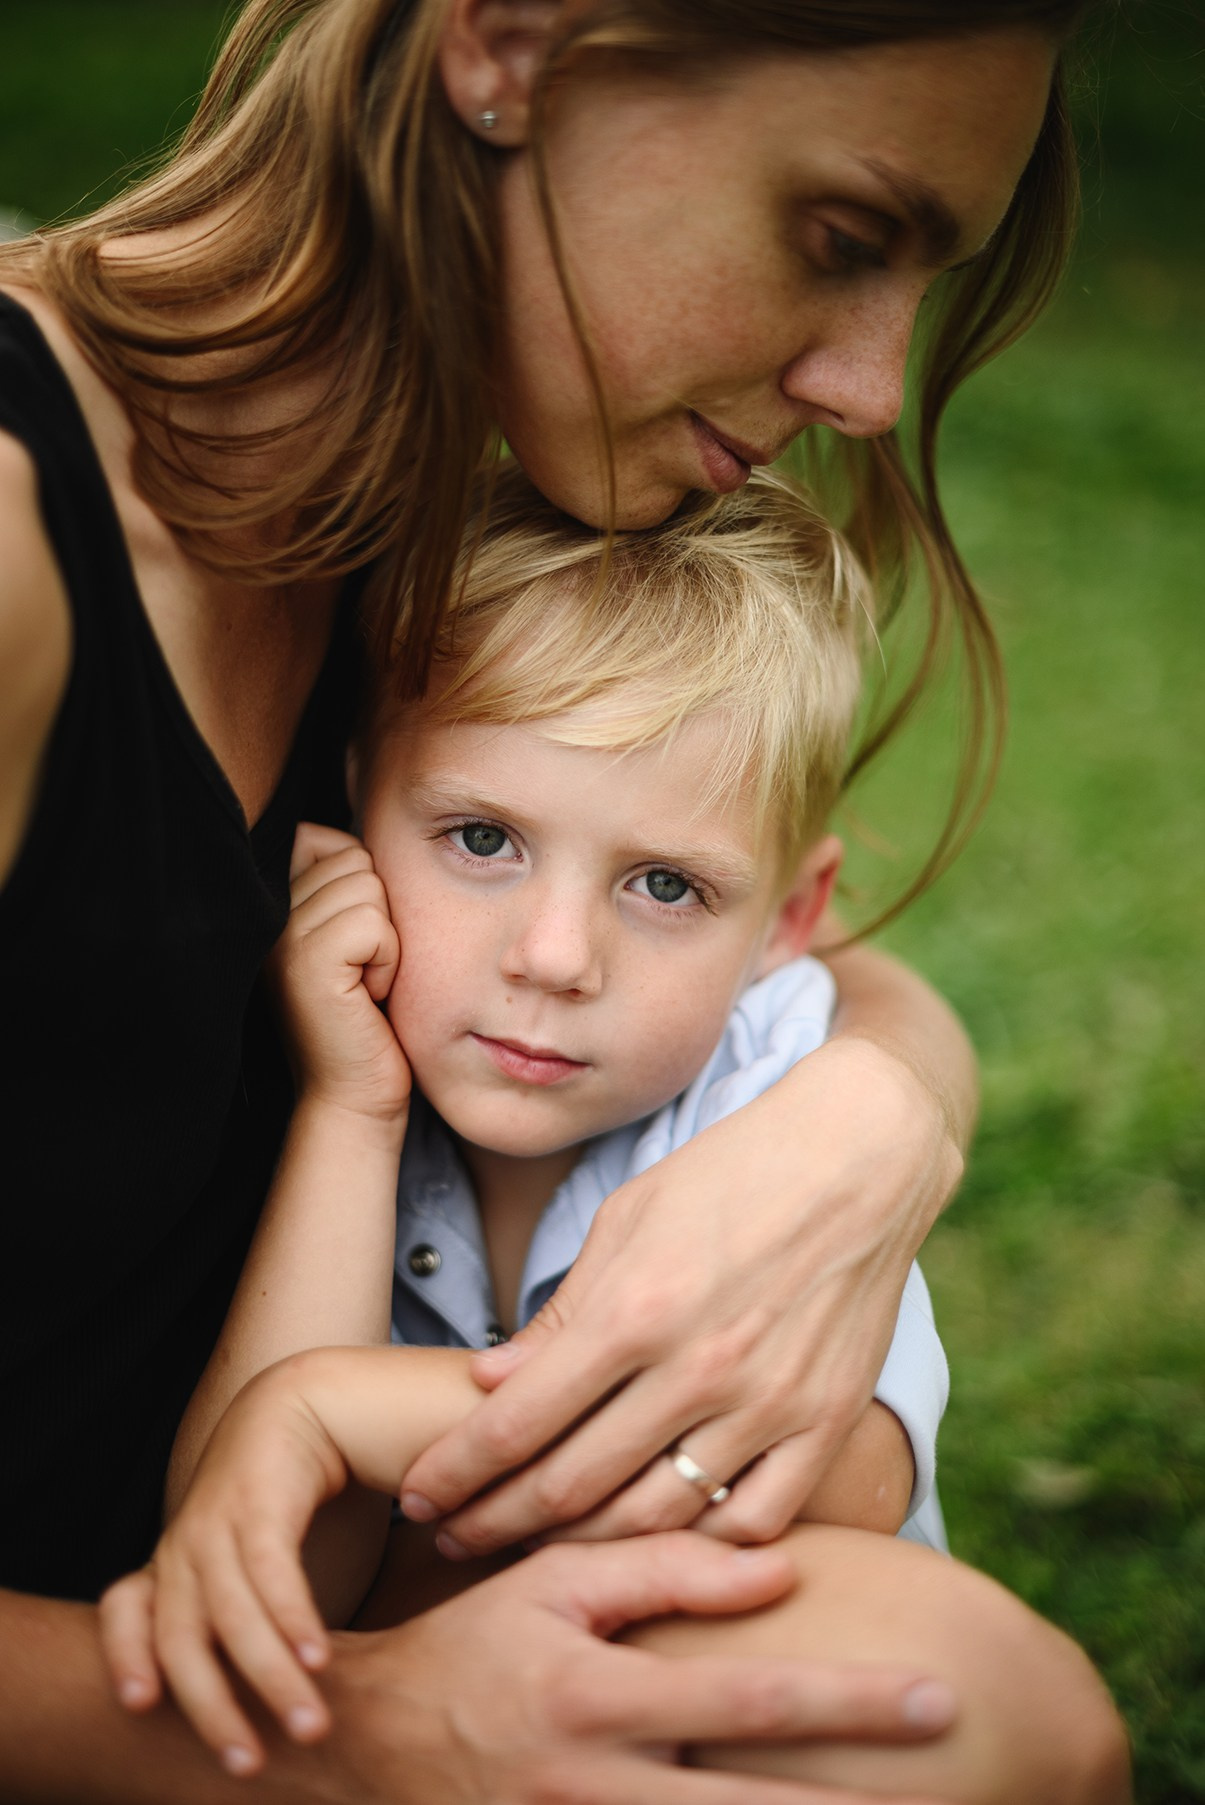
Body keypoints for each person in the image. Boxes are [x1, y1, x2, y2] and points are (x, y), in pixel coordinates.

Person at [0, 1, 1130, 1800]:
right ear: (511, 43)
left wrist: (873, 1116)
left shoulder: (406, 522)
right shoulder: (21, 552)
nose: (865, 389)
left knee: (974, 1710)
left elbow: (786, 954)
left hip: (337, 1574)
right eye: (840, 240)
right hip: (121, 1685)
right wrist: (359, 1739)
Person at [96, 468, 1118, 1804]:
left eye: (663, 884)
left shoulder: (775, 1080)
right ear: (350, 810)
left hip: (706, 1688)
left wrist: (331, 1412)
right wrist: (351, 1115)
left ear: (788, 921)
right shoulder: (338, 1066)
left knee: (975, 1726)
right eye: (480, 838)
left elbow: (844, 1481)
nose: (557, 955)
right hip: (412, 1719)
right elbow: (267, 1567)